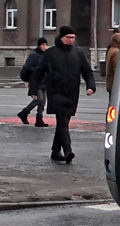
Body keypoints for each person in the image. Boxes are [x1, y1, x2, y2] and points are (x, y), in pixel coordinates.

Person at [34, 26, 95, 163]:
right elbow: (39, 71)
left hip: (72, 92)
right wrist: (33, 90)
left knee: (64, 122)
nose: (71, 40)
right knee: (62, 122)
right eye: (68, 37)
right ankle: (68, 151)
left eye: (73, 38)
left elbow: (87, 71)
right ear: (61, 37)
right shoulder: (51, 53)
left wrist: (91, 86)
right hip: (56, 92)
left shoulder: (78, 53)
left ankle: (55, 152)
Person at [17, 38, 49, 126]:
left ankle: (39, 119)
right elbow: (28, 67)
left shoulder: (45, 55)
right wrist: (38, 71)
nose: (44, 46)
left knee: (42, 102)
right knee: (39, 99)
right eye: (42, 45)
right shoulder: (34, 55)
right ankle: (24, 112)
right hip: (36, 81)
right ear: (39, 45)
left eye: (45, 44)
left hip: (44, 81)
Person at [104, 23, 120, 95]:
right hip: (115, 85)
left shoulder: (111, 49)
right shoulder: (117, 52)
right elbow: (117, 69)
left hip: (111, 85)